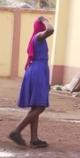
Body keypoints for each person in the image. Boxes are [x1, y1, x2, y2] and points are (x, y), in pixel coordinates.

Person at [8, 16, 54, 148]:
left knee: (36, 106)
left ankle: (34, 138)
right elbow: (51, 30)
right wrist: (44, 20)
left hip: (37, 70)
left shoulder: (37, 38)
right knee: (41, 107)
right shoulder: (39, 36)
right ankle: (16, 131)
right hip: (38, 71)